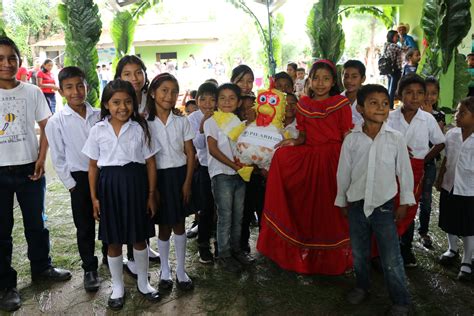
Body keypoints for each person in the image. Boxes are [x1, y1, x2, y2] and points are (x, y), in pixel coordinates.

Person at [257, 59, 353, 275]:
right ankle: (306, 255)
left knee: (333, 209)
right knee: (309, 204)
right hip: (311, 157)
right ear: (309, 80)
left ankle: (336, 259)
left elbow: (347, 135)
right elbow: (303, 136)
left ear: (333, 82)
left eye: (326, 79)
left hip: (334, 159)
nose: (320, 83)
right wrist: (292, 143)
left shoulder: (341, 103)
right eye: (316, 78)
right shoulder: (303, 104)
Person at [0, 36, 71, 313]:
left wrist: (42, 158)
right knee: (2, 231)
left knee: (37, 224)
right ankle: (6, 285)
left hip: (30, 167)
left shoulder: (32, 92)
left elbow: (46, 125)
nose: (6, 63)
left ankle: (42, 268)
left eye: (11, 58)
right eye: (1, 58)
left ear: (19, 61)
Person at [335, 84, 414, 315]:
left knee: (391, 257)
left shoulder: (396, 138)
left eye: (385, 103)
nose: (380, 107)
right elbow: (344, 172)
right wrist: (342, 200)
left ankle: (400, 301)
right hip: (357, 205)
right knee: (360, 253)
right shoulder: (351, 140)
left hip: (384, 207)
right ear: (360, 108)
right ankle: (362, 287)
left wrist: (404, 202)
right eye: (373, 103)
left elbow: (404, 171)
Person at [82, 79, 160, 310]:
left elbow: (150, 163)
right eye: (116, 102)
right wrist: (94, 197)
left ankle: (144, 283)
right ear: (106, 104)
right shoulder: (98, 130)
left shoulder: (140, 128)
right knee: (113, 240)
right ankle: (117, 287)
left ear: (134, 104)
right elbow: (93, 166)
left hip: (136, 185)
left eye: (128, 102)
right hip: (109, 187)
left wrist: (151, 193)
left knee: (138, 237)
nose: (122, 107)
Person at [45, 67, 101, 292]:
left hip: (103, 174)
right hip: (78, 178)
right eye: (69, 87)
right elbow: (58, 157)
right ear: (61, 91)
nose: (76, 91)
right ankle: (89, 268)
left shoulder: (100, 114)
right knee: (84, 225)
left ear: (87, 86)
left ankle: (112, 256)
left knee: (108, 219)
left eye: (80, 85)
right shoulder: (56, 121)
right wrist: (71, 185)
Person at [386, 74, 445, 268]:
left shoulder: (427, 119)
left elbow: (439, 142)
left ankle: (405, 248)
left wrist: (424, 159)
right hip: (390, 168)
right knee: (389, 206)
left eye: (420, 93)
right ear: (400, 94)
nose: (415, 97)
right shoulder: (390, 116)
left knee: (409, 208)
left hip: (415, 170)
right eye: (409, 92)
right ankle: (384, 249)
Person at [146, 73, 195, 291]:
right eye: (164, 90)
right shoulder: (145, 123)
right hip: (157, 179)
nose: (169, 95)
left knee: (179, 225)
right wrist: (152, 189)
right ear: (153, 93)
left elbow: (190, 153)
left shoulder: (181, 121)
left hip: (179, 176)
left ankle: (181, 271)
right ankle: (165, 271)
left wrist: (187, 183)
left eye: (174, 91)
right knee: (164, 227)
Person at [113, 55, 159, 276]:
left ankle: (144, 247)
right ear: (119, 76)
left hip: (152, 161)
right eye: (127, 73)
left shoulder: (151, 98)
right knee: (129, 211)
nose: (134, 78)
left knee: (145, 211)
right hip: (129, 167)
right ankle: (131, 256)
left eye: (138, 72)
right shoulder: (119, 100)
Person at [204, 83, 252, 273]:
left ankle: (236, 250)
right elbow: (213, 149)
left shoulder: (239, 122)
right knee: (225, 216)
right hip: (222, 174)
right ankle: (223, 254)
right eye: (222, 98)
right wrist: (234, 166)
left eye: (232, 98)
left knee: (238, 215)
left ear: (239, 102)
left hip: (240, 174)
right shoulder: (212, 122)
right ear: (217, 101)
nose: (227, 102)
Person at [436, 97, 474, 281]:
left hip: (469, 190)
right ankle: (452, 249)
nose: (457, 115)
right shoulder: (452, 134)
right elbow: (447, 158)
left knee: (468, 227)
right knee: (449, 219)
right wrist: (440, 177)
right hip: (449, 185)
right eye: (457, 111)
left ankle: (467, 261)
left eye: (463, 113)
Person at [188, 82, 218, 264]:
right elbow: (198, 145)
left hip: (223, 167)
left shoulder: (222, 114)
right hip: (206, 167)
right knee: (206, 208)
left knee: (221, 208)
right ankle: (203, 245)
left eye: (212, 99)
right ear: (197, 100)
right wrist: (202, 124)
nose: (207, 103)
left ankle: (221, 246)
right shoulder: (192, 118)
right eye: (203, 99)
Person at [417, 76, 445, 248]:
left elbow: (438, 141)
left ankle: (423, 231)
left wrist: (429, 116)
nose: (429, 97)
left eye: (433, 93)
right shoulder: (413, 112)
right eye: (425, 93)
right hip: (411, 163)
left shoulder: (440, 115)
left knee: (426, 198)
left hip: (428, 164)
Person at [383, 30, 405, 109]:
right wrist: (402, 41)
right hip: (395, 69)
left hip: (388, 69)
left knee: (390, 87)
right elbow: (404, 49)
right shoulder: (394, 46)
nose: (398, 38)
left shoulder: (386, 45)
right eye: (396, 36)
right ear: (391, 37)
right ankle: (390, 106)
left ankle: (387, 104)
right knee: (393, 89)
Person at [341, 60, 366, 126]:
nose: (349, 80)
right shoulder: (338, 100)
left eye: (354, 77)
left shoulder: (368, 100)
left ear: (363, 79)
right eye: (346, 77)